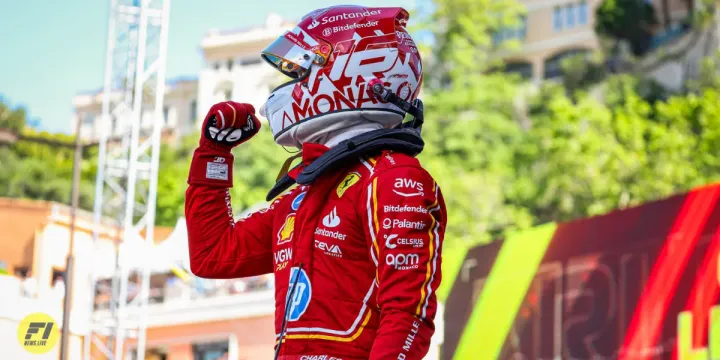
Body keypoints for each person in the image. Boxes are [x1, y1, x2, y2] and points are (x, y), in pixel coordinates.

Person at [185, 5, 446, 359]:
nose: (288, 86)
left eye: (300, 72)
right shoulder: (302, 196)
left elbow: (408, 312)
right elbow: (212, 256)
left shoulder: (395, 180)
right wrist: (215, 153)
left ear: (351, 72)